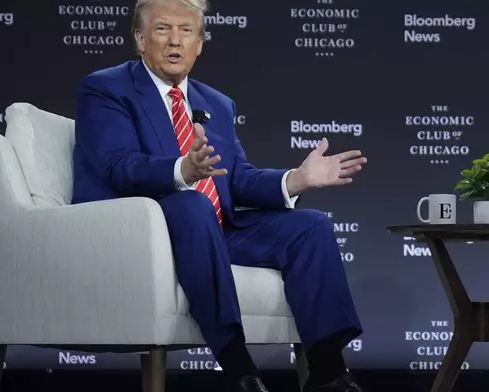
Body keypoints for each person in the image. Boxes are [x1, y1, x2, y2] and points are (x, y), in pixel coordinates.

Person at [72, 0, 368, 390]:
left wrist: (296, 179)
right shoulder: (107, 89)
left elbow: (237, 178)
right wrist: (183, 170)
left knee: (310, 226)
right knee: (192, 203)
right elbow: (119, 165)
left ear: (200, 44)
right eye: (162, 30)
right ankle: (237, 365)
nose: (175, 41)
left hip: (215, 231)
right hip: (144, 234)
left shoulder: (216, 103)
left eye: (187, 31)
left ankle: (328, 371)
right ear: (140, 40)